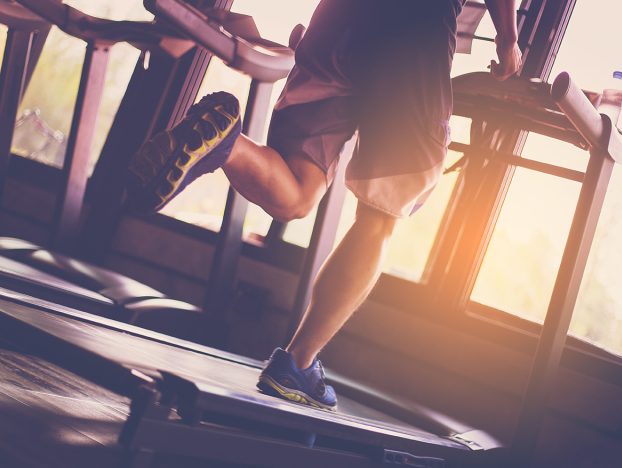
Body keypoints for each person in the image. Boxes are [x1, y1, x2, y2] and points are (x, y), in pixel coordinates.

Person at [126, 0, 522, 411]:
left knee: (297, 191)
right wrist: (509, 39)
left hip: (337, 21)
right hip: (416, 34)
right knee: (381, 218)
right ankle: (297, 364)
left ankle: (230, 147)